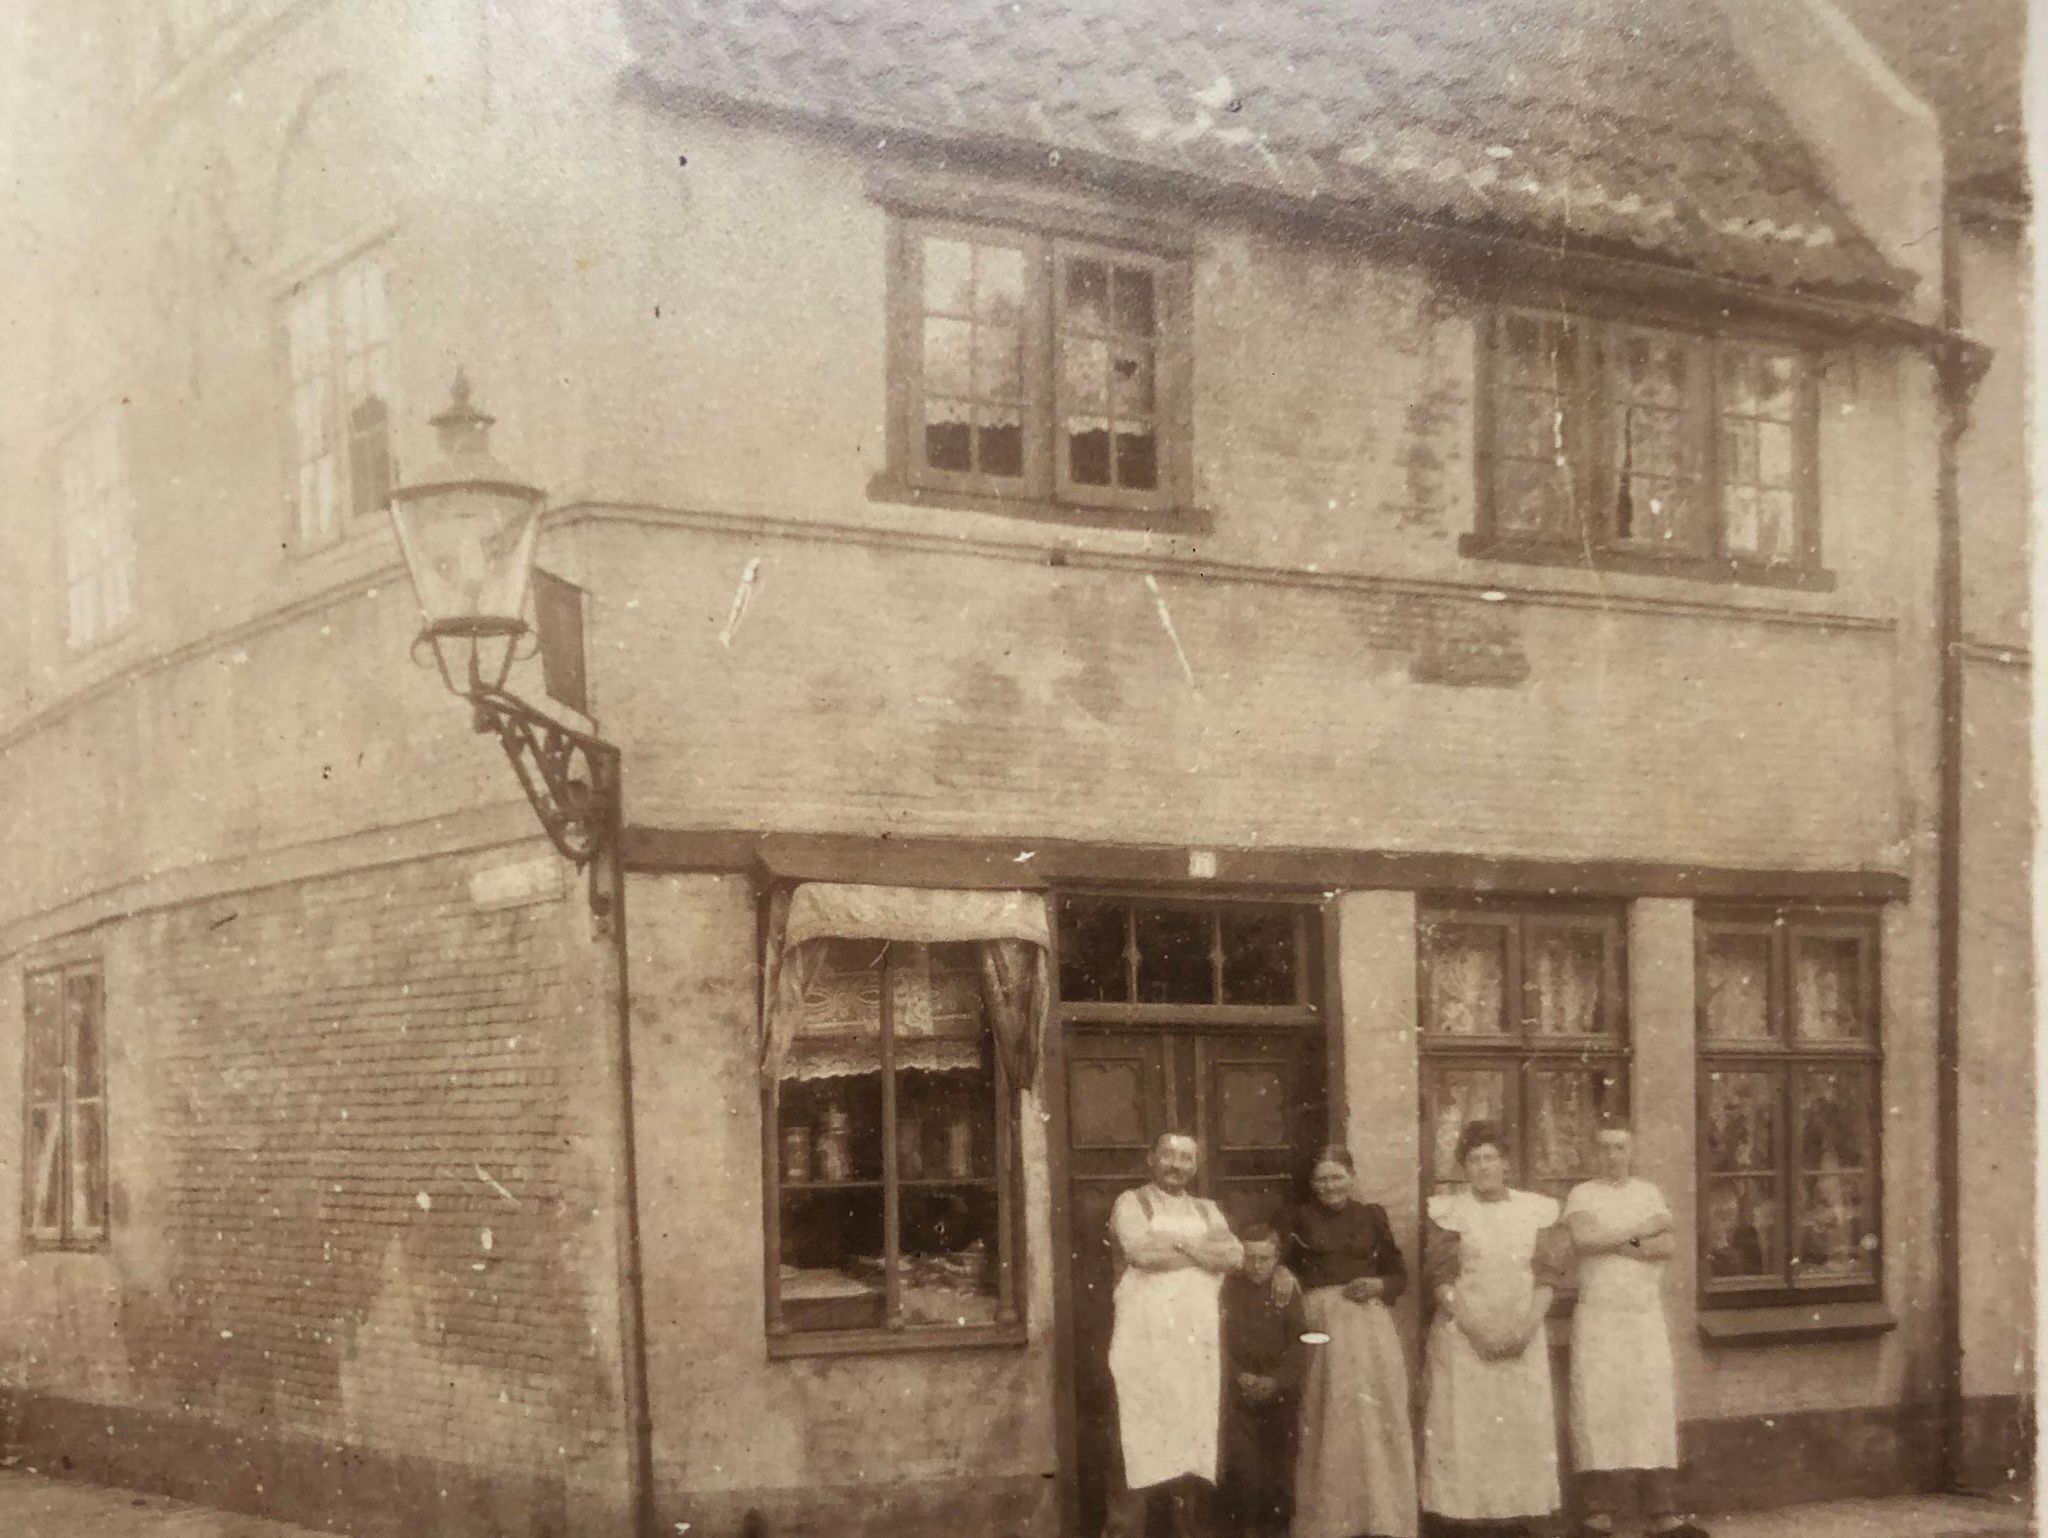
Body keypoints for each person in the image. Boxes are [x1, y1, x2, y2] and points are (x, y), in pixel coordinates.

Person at [1420, 1121, 1570, 1538]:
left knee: (1517, 1427)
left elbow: (1547, 1275)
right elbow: (1441, 1280)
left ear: (1506, 1163)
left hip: (1522, 1332)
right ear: (1464, 1167)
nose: (1483, 1167)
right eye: (1474, 1159)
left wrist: (1526, 1327)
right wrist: (1475, 1329)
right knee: (1469, 1428)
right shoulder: (1449, 1212)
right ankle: (1470, 1521)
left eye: (1490, 1158)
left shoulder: (1536, 1210)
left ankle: (1517, 1520)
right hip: (1465, 1337)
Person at [1563, 1124, 1708, 1538]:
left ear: (1632, 1150)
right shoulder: (1582, 1195)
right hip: (1599, 1318)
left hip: (1643, 1317)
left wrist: (1617, 1239)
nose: (1613, 1155)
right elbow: (1584, 1239)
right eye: (1605, 1147)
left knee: (1650, 1405)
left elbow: (1667, 1246)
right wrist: (1637, 1234)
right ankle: (1597, 1512)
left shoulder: (1648, 1192)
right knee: (1598, 1406)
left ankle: (1660, 1510)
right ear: (1595, 1152)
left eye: (1620, 1147)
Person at [1105, 1131, 1245, 1538]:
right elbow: (1140, 1253)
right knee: (1134, 1448)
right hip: (1143, 1349)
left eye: (1186, 1158)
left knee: (1191, 1452)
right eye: (1168, 1155)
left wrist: (1179, 1245)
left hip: (1193, 1350)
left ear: (1195, 1166)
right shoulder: (1132, 1202)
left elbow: (1234, 1255)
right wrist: (1203, 1253)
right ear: (1152, 1158)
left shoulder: (1206, 1208)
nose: (1176, 1165)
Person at [1287, 1146, 1419, 1538]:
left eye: (1337, 1177)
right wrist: (1282, 1273)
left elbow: (1399, 1275)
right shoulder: (1299, 1217)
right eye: (1322, 1179)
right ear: (1312, 1184)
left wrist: (1379, 1283)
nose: (1330, 1186)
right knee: (1328, 1415)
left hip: (1368, 1326)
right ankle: (1330, 1522)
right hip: (1323, 1324)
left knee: (1375, 1416)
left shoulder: (1372, 1215)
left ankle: (1381, 1518)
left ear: (1352, 1177)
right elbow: (1283, 1265)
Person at [1219, 1225, 1309, 1538]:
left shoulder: (1286, 1289)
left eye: (1265, 1259)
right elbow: (1213, 1341)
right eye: (1249, 1257)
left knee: (1280, 1473)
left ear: (1277, 1259)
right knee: (1243, 1473)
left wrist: (1278, 1380)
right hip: (1238, 1394)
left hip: (1279, 1394)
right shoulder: (1226, 1287)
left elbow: (1302, 1341)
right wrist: (1236, 1375)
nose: (1256, 1266)